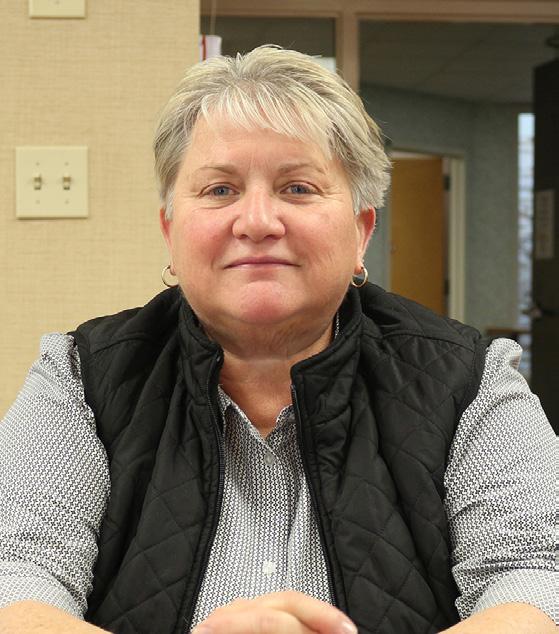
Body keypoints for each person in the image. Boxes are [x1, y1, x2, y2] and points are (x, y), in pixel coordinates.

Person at [0, 46, 556, 634]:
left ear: (361, 231)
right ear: (170, 230)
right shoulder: (80, 377)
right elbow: (16, 573)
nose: (258, 222)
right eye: (220, 190)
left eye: (298, 188)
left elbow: (535, 574)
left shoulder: (468, 379)